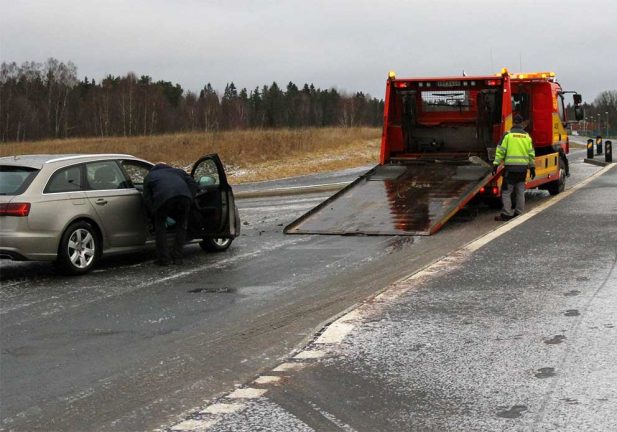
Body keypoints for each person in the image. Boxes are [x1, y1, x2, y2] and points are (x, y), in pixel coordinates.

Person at [143, 163, 198, 265]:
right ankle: (177, 258)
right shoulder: (178, 172)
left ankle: (164, 259)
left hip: (164, 200)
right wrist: (190, 197)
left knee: (160, 228)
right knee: (181, 227)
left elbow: (147, 198)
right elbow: (194, 184)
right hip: (184, 199)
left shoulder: (150, 176)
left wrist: (153, 212)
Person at [492, 114, 536, 220]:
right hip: (522, 169)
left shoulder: (507, 135)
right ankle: (519, 212)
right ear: (521, 123)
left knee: (506, 192)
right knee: (520, 190)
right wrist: (532, 168)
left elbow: (500, 151)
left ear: (513, 123)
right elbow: (531, 153)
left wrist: (495, 164)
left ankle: (507, 213)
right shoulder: (527, 136)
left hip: (510, 169)